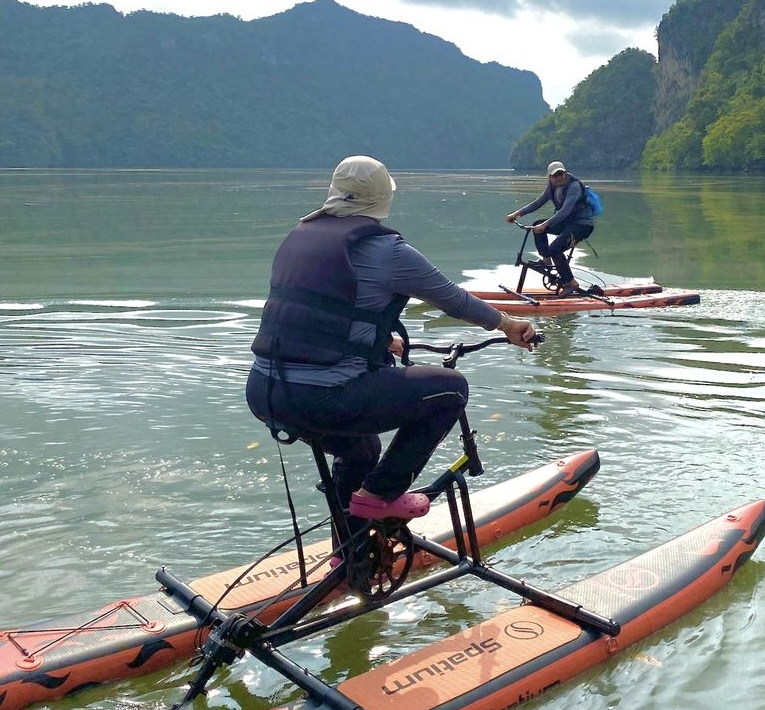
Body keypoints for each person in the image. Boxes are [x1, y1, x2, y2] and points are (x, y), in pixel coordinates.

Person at [246, 155, 537, 539]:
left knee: (361, 450)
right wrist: (509, 325)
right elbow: (453, 299)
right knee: (452, 390)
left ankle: (352, 552)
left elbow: (317, 311)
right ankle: (379, 496)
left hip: (265, 392)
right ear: (384, 197)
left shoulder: (300, 238)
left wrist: (380, 341)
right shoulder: (389, 252)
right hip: (324, 397)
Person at [505, 161, 595, 298]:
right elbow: (538, 202)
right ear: (550, 177)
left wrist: (545, 224)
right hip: (567, 223)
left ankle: (571, 283)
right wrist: (517, 214)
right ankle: (546, 260)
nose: (559, 177)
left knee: (554, 249)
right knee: (537, 225)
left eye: (561, 174)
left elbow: (565, 211)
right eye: (555, 175)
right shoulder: (552, 186)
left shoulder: (574, 187)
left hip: (581, 226)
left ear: (565, 173)